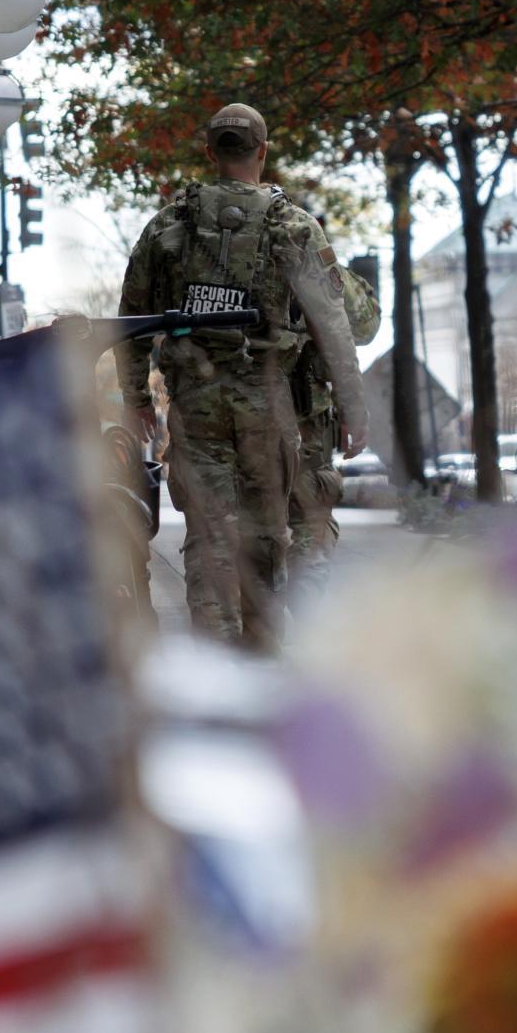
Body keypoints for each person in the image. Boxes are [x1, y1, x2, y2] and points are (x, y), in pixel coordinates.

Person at [116, 103, 370, 651]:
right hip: (268, 400)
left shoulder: (169, 225)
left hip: (195, 401)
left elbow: (131, 317)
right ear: (262, 151)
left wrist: (137, 396)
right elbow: (334, 326)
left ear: (210, 152)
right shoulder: (295, 227)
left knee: (208, 536)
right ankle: (261, 652)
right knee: (267, 531)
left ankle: (215, 656)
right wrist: (353, 407)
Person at [288, 256, 380, 585]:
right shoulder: (299, 239)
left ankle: (238, 625)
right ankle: (307, 605)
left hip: (215, 416)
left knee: (230, 529)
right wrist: (351, 409)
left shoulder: (187, 229)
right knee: (309, 522)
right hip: (301, 422)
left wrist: (138, 394)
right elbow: (360, 325)